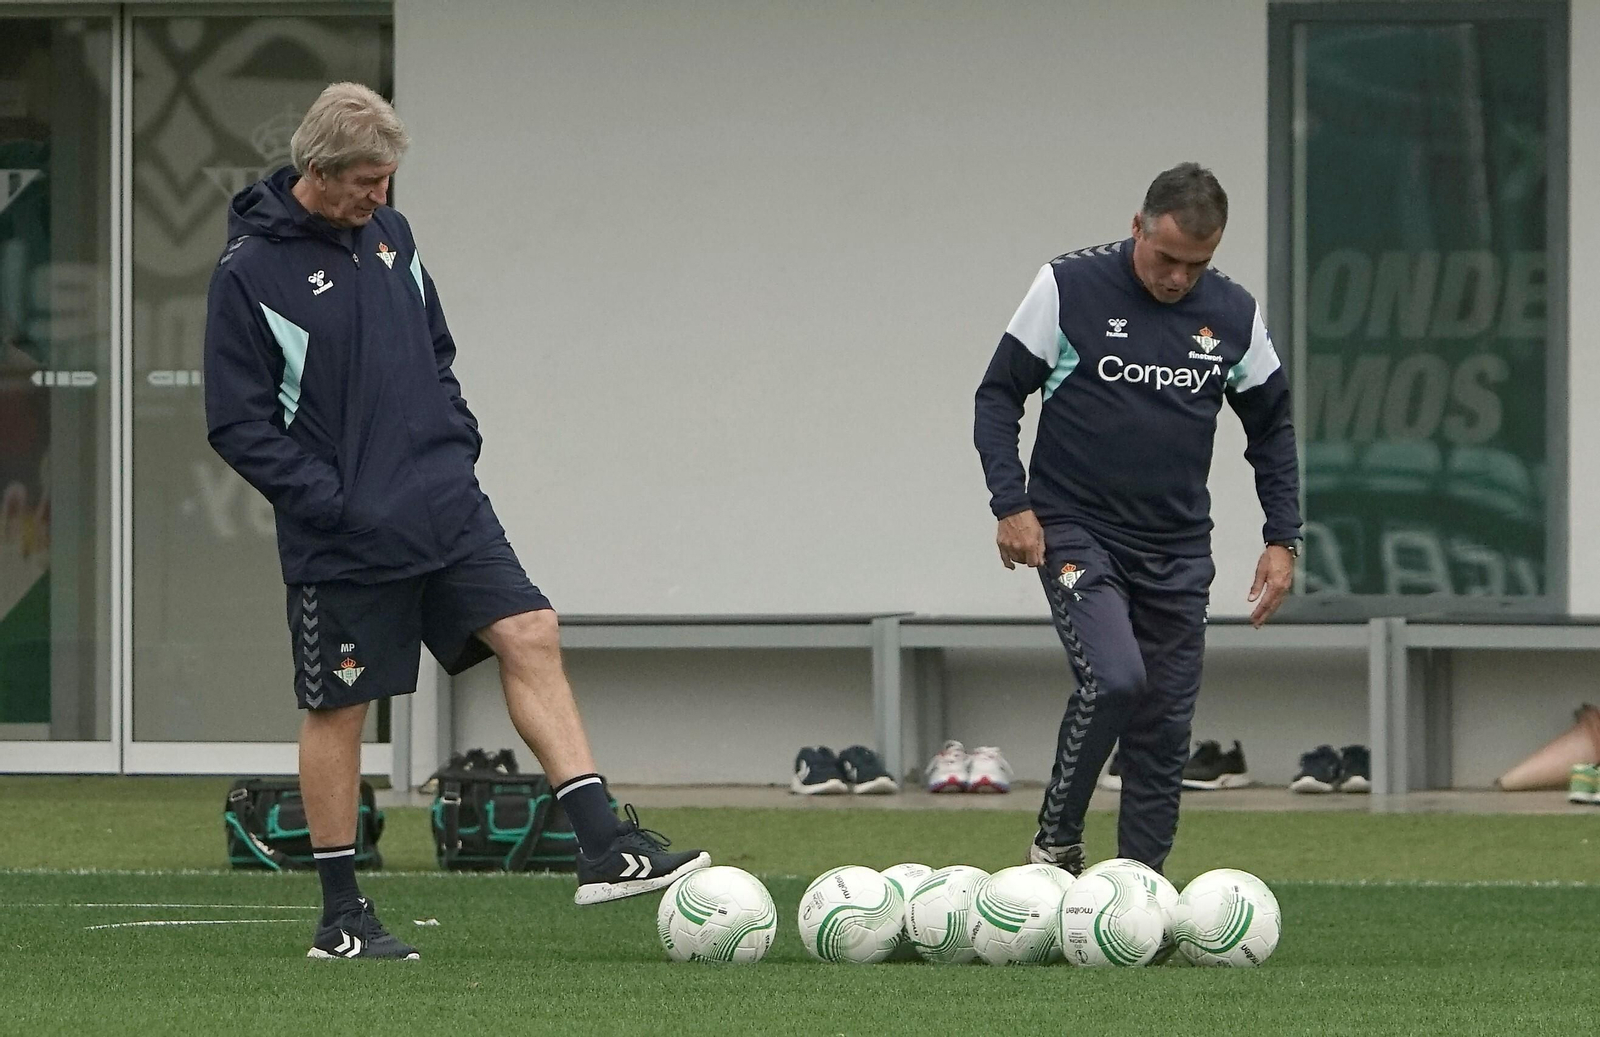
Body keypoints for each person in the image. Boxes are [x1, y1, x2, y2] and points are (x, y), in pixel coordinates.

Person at [203, 82, 709, 960]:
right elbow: (236, 422)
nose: (380, 197)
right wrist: (335, 499)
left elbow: (435, 347)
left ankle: (603, 841)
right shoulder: (251, 272)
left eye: (388, 179)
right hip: (345, 533)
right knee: (343, 708)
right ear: (318, 171)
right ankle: (341, 918)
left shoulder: (392, 236)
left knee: (530, 628)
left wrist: (453, 438)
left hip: (444, 504)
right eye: (366, 181)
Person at [973, 163, 1301, 875]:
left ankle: (1138, 889)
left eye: (1197, 264)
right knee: (1118, 678)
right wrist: (1012, 503)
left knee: (1163, 726)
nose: (1179, 278)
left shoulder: (1235, 315)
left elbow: (1272, 428)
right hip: (1074, 527)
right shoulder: (1068, 287)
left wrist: (1283, 536)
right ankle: (1056, 842)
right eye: (1167, 258)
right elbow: (998, 397)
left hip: (1179, 548)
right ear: (1137, 227)